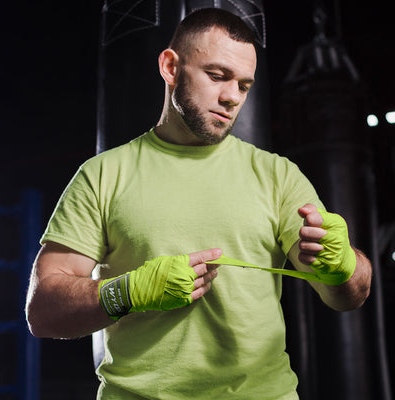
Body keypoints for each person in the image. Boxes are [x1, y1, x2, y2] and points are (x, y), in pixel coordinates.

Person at [25, 8, 372, 400]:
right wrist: (130, 292)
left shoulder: (277, 175)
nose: (231, 97)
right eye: (217, 76)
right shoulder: (103, 175)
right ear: (171, 67)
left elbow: (351, 296)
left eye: (244, 86)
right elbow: (42, 311)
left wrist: (343, 265)